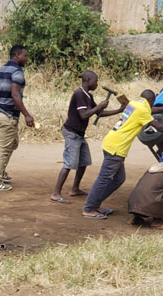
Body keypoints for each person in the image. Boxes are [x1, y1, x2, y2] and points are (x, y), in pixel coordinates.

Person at [82, 90, 163, 219]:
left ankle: (94, 205)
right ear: (151, 100)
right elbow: (159, 127)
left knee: (119, 179)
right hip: (116, 147)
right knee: (104, 179)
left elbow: (149, 111)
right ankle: (89, 208)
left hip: (112, 142)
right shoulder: (142, 111)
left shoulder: (135, 104)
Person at [50, 71, 124, 204]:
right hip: (72, 133)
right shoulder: (79, 94)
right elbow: (84, 115)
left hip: (78, 134)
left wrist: (119, 110)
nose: (97, 84)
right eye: (95, 81)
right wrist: (99, 107)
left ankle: (75, 189)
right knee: (69, 163)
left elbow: (99, 113)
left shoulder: (88, 96)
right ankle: (56, 193)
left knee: (84, 162)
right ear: (88, 80)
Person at [0, 44, 34, 191]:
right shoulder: (17, 72)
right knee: (4, 149)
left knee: (13, 143)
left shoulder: (0, 70)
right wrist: (27, 115)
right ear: (17, 55)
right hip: (8, 115)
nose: (26, 59)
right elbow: (15, 94)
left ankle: (0, 171)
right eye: (25, 56)